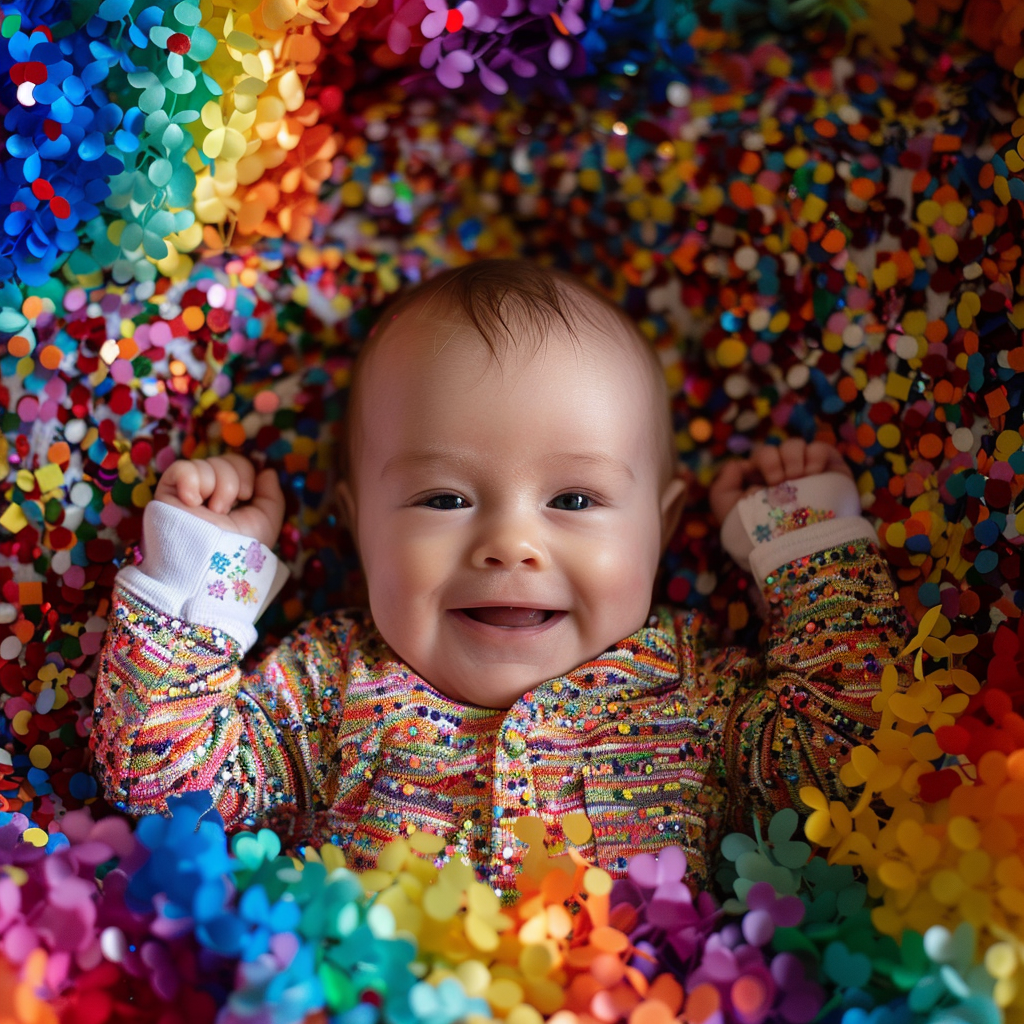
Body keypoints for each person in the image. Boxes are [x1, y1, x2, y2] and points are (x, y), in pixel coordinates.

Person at [89, 260, 908, 898]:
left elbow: (841, 764)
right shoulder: (327, 687)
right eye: (444, 498)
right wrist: (209, 569)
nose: (511, 544)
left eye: (575, 498)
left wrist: (809, 551)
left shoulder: (694, 693)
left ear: (663, 526)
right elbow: (162, 782)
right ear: (357, 526)